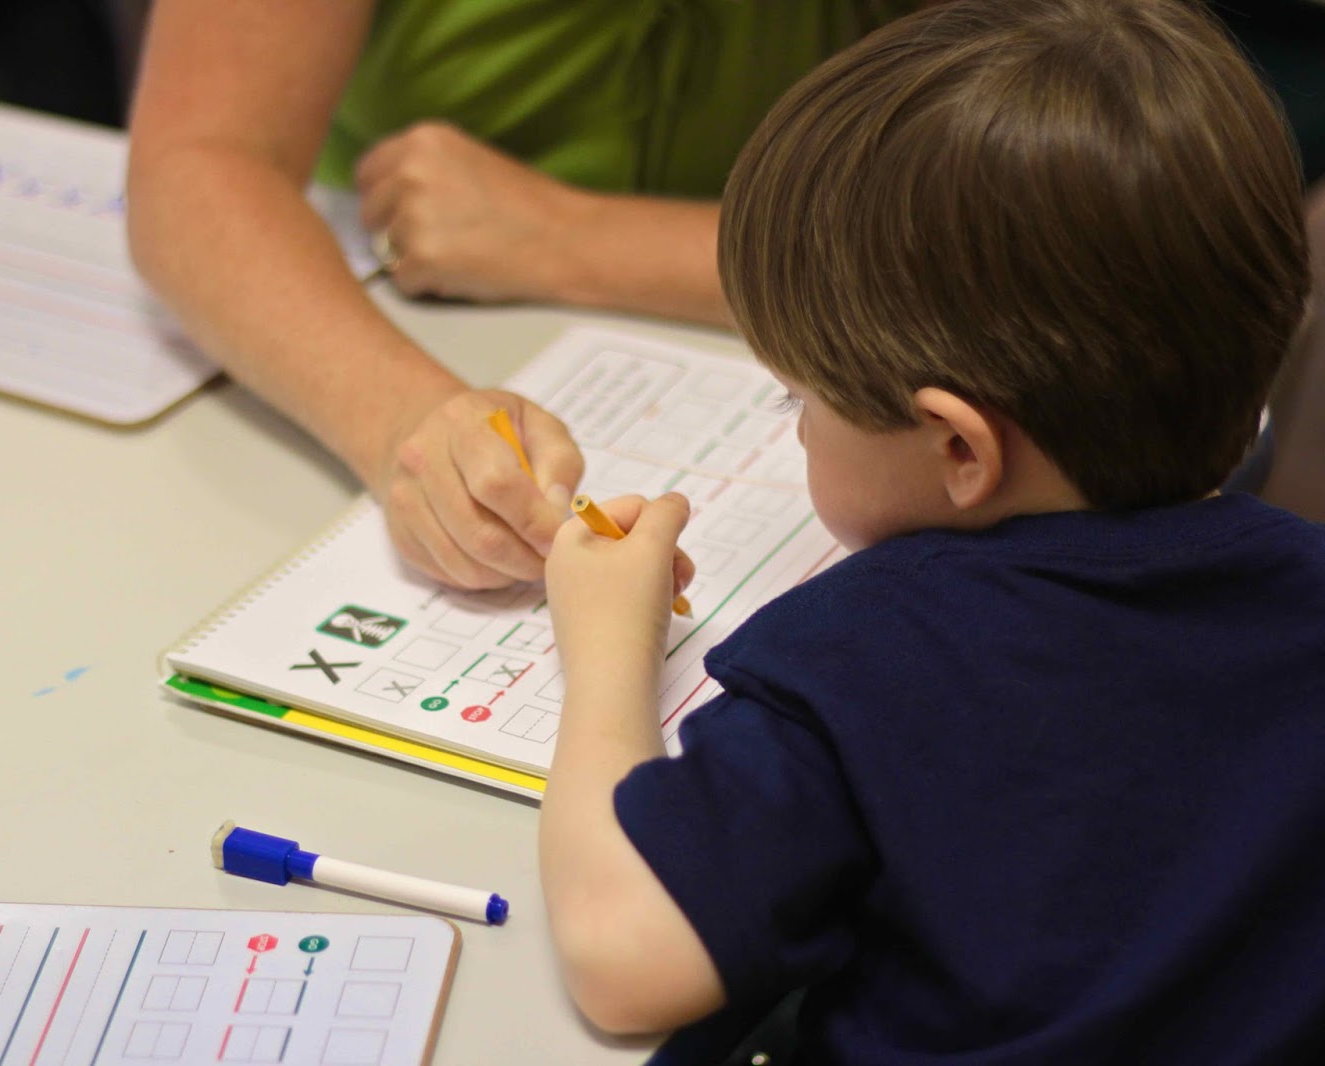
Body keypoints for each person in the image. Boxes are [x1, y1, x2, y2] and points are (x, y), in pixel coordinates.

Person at [539, 0, 1325, 1061]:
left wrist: (602, 650)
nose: (797, 427)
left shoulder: (869, 651)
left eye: (798, 400)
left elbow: (626, 957)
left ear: (960, 449)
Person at [125, 1, 915, 592]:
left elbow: (996, 238)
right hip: (392, 300)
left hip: (794, 313)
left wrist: (572, 239)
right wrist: (406, 419)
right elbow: (200, 161)